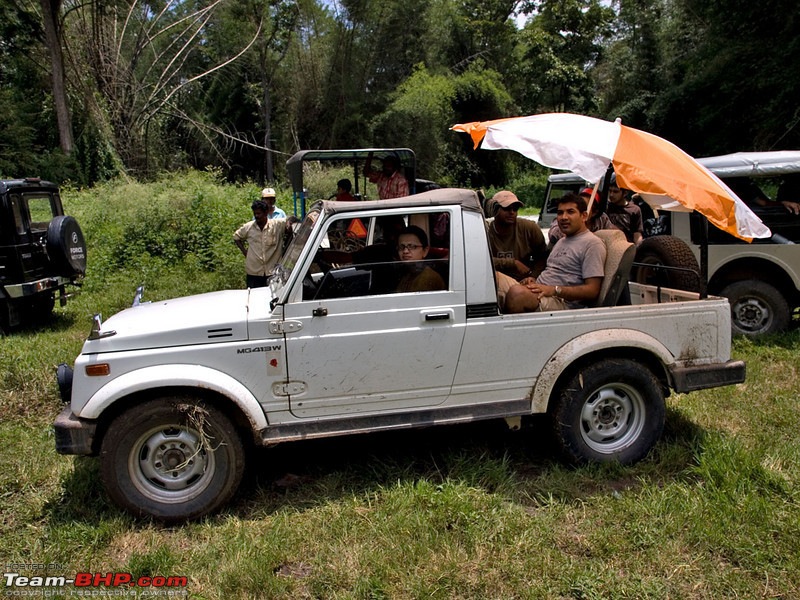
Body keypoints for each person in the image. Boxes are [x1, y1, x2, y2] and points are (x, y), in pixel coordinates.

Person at [503, 193, 606, 313]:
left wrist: (554, 290)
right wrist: (533, 280)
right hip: (541, 292)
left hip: (562, 303)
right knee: (493, 278)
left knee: (517, 294)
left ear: (584, 216)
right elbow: (552, 273)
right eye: (560, 213)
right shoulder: (562, 241)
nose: (564, 217)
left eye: (570, 212)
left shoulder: (592, 244)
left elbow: (592, 291)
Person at [486, 190, 548, 303]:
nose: (512, 212)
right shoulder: (485, 230)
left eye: (515, 209)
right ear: (494, 210)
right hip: (493, 282)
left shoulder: (529, 228)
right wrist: (512, 263)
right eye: (507, 208)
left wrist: (533, 276)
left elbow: (542, 257)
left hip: (524, 282)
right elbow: (481, 261)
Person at [233, 200, 289, 288]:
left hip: (273, 273)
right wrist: (244, 251)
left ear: (266, 213)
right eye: (255, 214)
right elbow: (236, 237)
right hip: (254, 273)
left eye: (259, 214)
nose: (256, 216)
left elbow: (290, 221)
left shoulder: (277, 225)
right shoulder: (249, 227)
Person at [549, 187, 617, 245]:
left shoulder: (602, 219)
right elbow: (554, 233)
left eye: (583, 207)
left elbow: (616, 234)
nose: (564, 217)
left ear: (594, 213)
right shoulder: (565, 218)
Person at [395, 226, 446, 292]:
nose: (405, 251)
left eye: (412, 246)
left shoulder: (428, 278)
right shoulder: (408, 274)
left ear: (425, 251)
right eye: (401, 247)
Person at [605, 177, 643, 245]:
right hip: (609, 244)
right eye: (610, 191)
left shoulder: (634, 210)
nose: (611, 195)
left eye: (615, 191)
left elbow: (637, 234)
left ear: (625, 193)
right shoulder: (606, 207)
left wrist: (638, 249)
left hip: (626, 246)